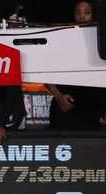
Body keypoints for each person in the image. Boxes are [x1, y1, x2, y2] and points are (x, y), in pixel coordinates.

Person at [46, 1, 106, 130]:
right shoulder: (62, 38)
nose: (82, 17)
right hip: (68, 104)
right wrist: (59, 96)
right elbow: (46, 72)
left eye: (87, 13)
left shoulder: (102, 39)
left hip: (96, 107)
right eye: (78, 13)